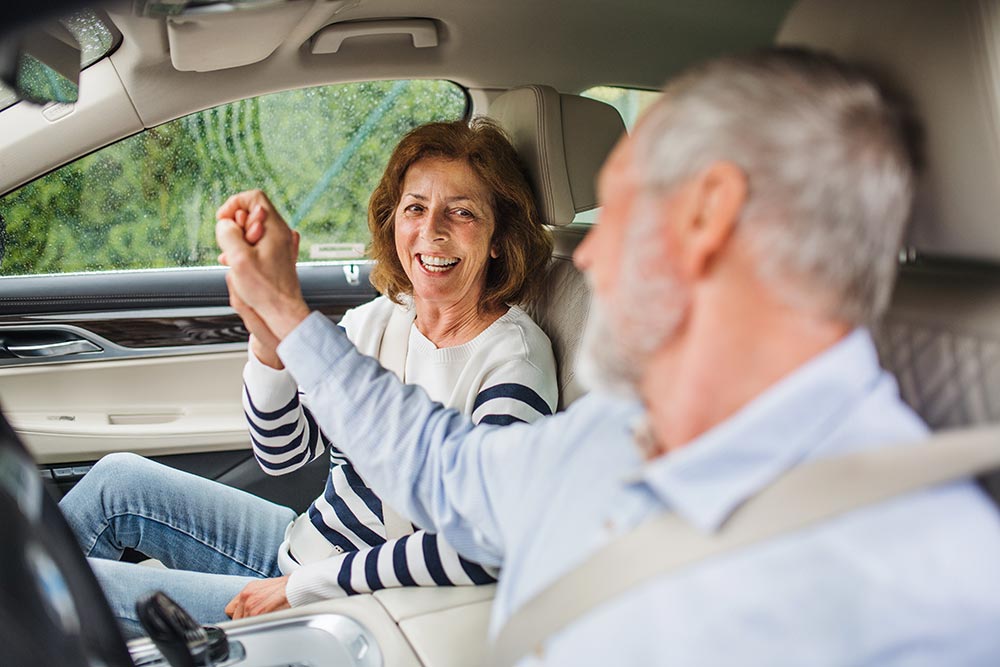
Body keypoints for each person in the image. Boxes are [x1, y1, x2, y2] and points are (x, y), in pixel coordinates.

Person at [217, 47, 1000, 665]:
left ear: (707, 212)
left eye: (618, 208)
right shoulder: (603, 435)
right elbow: (437, 466)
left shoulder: (935, 593)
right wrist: (284, 317)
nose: (586, 261)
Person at [59, 118, 557, 637]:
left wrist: (302, 588)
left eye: (462, 212)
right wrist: (268, 346)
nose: (431, 230)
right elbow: (283, 454)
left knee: (72, 595)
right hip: (306, 546)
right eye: (415, 207)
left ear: (499, 238)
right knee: (118, 480)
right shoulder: (379, 318)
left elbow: (485, 539)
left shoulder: (512, 361)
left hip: (365, 603)